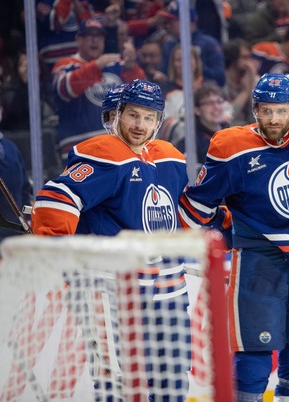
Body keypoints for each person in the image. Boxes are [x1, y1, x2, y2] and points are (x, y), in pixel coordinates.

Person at [31, 79, 194, 402]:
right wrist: (56, 246)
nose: (140, 125)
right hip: (116, 293)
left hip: (170, 291)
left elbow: (187, 211)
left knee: (173, 384)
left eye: (149, 117)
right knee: (117, 384)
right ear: (117, 114)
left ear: (159, 121)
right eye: (133, 115)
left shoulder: (170, 158)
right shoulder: (104, 155)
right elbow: (56, 200)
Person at [179, 73, 289, 402]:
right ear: (254, 109)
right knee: (254, 351)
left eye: (281, 111)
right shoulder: (231, 148)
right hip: (260, 261)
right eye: (266, 110)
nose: (273, 119)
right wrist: (227, 226)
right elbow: (191, 209)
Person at [51, 16, 146, 161]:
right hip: (79, 146)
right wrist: (96, 66)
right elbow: (65, 89)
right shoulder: (66, 65)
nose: (94, 40)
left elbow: (143, 97)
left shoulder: (116, 64)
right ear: (78, 39)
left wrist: (132, 67)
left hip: (116, 146)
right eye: (89, 35)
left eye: (99, 36)